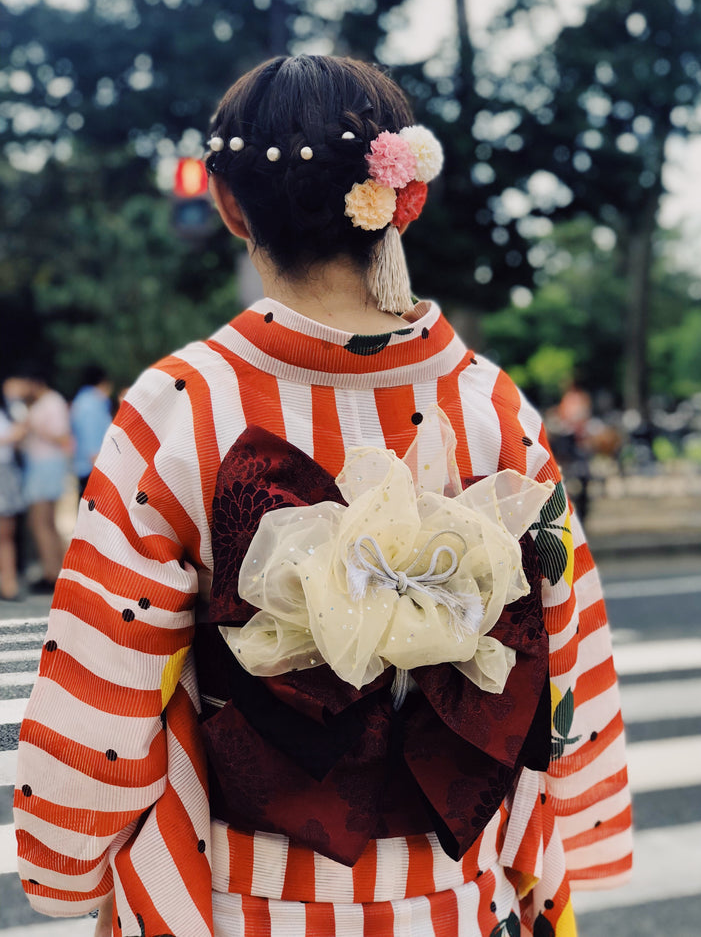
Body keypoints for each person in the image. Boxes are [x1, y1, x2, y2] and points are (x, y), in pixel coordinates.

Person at [14, 55, 631, 937]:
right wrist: (570, 826)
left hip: (240, 892)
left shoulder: (180, 407)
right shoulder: (495, 406)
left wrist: (64, 857)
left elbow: (103, 670)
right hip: (451, 888)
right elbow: (562, 649)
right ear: (396, 201)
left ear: (230, 206)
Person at [19, 370, 72, 594]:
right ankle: (54, 571)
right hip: (40, 465)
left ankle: (53, 573)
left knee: (41, 522)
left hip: (47, 465)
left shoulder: (52, 402)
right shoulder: (43, 403)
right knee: (45, 522)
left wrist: (35, 427)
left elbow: (62, 437)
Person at [69, 365, 113, 496]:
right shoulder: (92, 403)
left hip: (84, 465)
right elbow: (91, 435)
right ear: (104, 382)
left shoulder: (81, 400)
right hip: (93, 466)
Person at [0, 381, 26, 600]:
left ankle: (8, 583)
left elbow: (21, 434)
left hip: (5, 473)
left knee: (6, 533)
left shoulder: (9, 409)